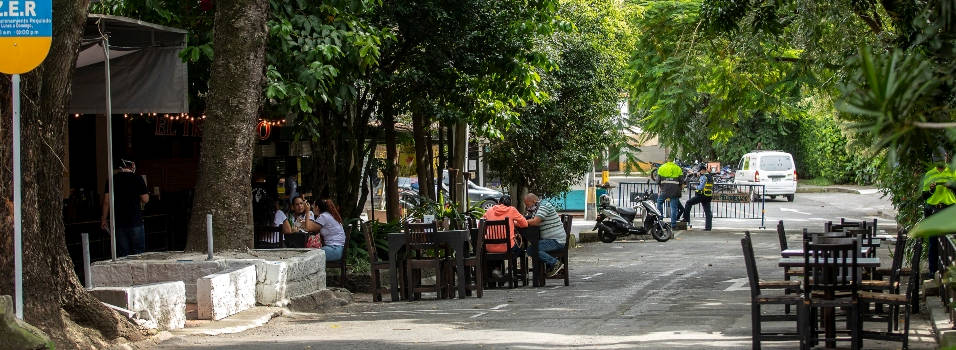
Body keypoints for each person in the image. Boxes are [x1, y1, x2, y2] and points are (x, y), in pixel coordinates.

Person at [101, 159, 149, 257]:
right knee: (139, 253)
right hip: (135, 220)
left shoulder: (111, 179)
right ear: (133, 165)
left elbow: (106, 201)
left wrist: (104, 218)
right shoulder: (137, 178)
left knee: (123, 254)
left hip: (118, 222)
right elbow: (145, 199)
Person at [923, 153, 955, 276]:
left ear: (946, 157)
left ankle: (949, 271)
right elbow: (924, 196)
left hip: (949, 209)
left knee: (949, 241)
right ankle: (933, 271)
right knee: (934, 242)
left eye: (941, 160)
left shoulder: (952, 172)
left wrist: (951, 186)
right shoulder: (930, 174)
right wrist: (931, 190)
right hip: (934, 210)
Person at [482, 195, 529, 279]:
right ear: (509, 204)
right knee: (519, 248)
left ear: (499, 203)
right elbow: (525, 223)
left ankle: (497, 270)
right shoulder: (512, 210)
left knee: (498, 249)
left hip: (490, 248)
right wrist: (513, 223)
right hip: (507, 248)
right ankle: (510, 269)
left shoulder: (489, 210)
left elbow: (480, 225)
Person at [523, 193, 565, 277]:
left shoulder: (544, 206)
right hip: (551, 240)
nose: (527, 208)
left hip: (556, 241)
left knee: (532, 249)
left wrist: (521, 222)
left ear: (534, 201)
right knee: (533, 248)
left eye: (528, 205)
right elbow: (532, 219)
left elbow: (535, 222)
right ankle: (548, 267)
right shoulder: (537, 209)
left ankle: (555, 263)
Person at [681, 164, 713, 231]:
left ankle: (686, 219)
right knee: (708, 212)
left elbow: (701, 187)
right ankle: (708, 227)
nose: (699, 173)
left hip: (701, 195)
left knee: (688, 203)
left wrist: (694, 187)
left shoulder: (703, 177)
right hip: (708, 195)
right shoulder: (710, 176)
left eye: (699, 171)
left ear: (703, 170)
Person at [655, 161, 685, 227]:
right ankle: (673, 224)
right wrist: (680, 190)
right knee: (673, 208)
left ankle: (660, 220)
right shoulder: (678, 168)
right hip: (675, 191)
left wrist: (661, 189)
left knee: (659, 203)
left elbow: (658, 181)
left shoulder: (661, 168)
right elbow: (682, 182)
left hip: (665, 190)